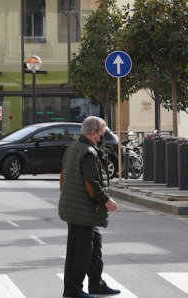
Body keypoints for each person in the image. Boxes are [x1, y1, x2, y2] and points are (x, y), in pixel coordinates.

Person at [58, 116, 120, 298]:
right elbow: (91, 183)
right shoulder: (87, 152)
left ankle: (96, 284)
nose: (103, 137)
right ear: (93, 134)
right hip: (82, 211)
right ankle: (72, 290)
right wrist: (106, 201)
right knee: (79, 253)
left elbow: (63, 178)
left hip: (80, 209)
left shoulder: (74, 147)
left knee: (94, 249)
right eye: (102, 133)